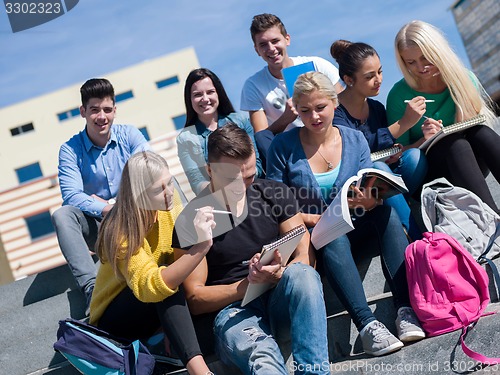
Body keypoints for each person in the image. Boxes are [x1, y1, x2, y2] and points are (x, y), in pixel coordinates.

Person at [266, 72, 425, 357]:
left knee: (387, 215)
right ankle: (367, 325)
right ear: (296, 110)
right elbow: (275, 205)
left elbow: (370, 181)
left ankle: (405, 309)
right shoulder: (282, 147)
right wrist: (316, 219)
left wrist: (371, 198)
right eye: (304, 111)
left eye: (320, 108)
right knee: (332, 234)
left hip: (358, 221)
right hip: (318, 238)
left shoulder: (354, 139)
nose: (313, 116)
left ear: (334, 103)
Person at [172, 125, 330, 374]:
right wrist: (249, 285)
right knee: (263, 357)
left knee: (302, 274)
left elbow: (304, 252)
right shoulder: (190, 220)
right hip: (233, 314)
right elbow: (194, 298)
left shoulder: (273, 192)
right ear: (210, 170)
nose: (243, 187)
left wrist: (278, 274)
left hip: (281, 299)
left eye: (249, 176)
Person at [89, 151, 215, 375]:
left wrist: (172, 325)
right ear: (138, 195)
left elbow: (176, 260)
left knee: (177, 283)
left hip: (155, 301)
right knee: (165, 284)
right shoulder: (120, 231)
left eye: (169, 183)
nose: (169, 193)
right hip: (115, 320)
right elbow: (150, 287)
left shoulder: (169, 204)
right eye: (159, 190)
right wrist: (201, 247)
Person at [51, 78, 150, 314]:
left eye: (107, 109)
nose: (102, 116)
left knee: (169, 182)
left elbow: (149, 170)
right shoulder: (70, 150)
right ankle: (92, 288)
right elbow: (72, 196)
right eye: (94, 110)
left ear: (115, 110)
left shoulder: (130, 135)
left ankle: (189, 245)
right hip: (101, 228)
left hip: (140, 216)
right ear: (83, 112)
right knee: (63, 215)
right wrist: (107, 209)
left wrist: (114, 203)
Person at [386, 20, 500, 213]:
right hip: (432, 175)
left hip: (469, 164)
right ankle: (493, 220)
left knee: (482, 132)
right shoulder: (399, 95)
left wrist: (462, 111)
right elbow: (397, 155)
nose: (420, 67)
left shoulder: (463, 78)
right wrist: (425, 139)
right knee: (454, 143)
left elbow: (472, 127)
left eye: (425, 58)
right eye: (411, 62)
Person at [330, 40, 424, 240]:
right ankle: (416, 237)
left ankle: (397, 204)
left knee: (414, 157)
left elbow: (384, 147)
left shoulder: (376, 108)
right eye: (370, 76)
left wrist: (394, 150)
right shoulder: (335, 113)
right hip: (357, 189)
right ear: (349, 79)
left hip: (385, 181)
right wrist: (404, 123)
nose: (379, 79)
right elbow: (356, 150)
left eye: (380, 72)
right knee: (377, 169)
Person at [240, 13, 343, 167]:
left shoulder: (317, 65)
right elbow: (262, 136)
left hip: (331, 137)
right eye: (263, 44)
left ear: (287, 39)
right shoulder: (253, 85)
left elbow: (344, 104)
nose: (271, 49)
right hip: (294, 151)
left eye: (275, 41)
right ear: (256, 49)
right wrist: (285, 118)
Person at [177, 68, 263, 195]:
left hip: (253, 192)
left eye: (210, 92)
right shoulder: (185, 138)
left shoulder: (240, 121)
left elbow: (258, 165)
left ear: (218, 93)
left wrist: (242, 182)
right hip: (221, 202)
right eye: (197, 94)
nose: (205, 99)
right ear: (189, 99)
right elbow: (197, 183)